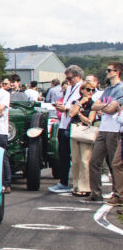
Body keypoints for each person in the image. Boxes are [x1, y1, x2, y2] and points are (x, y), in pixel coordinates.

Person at [87, 62, 122, 204]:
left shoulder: (121, 88)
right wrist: (105, 106)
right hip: (103, 128)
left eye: (109, 70)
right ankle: (96, 192)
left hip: (115, 129)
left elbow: (111, 109)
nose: (107, 72)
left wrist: (104, 107)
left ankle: (117, 192)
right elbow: (94, 105)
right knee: (94, 161)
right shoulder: (107, 89)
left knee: (115, 163)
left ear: (117, 72)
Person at [50, 65, 85, 193]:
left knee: (76, 156)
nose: (68, 81)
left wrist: (66, 108)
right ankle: (63, 181)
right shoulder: (70, 88)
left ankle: (77, 183)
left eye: (70, 78)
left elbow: (81, 105)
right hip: (64, 123)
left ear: (78, 76)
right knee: (63, 154)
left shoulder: (82, 88)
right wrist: (62, 106)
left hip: (73, 124)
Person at [67, 79, 99, 198]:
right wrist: (80, 104)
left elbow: (90, 120)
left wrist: (80, 114)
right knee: (75, 161)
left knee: (85, 161)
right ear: (82, 91)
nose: (90, 92)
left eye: (92, 90)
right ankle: (76, 186)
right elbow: (71, 114)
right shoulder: (76, 101)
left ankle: (85, 187)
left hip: (86, 132)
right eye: (88, 89)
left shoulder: (93, 104)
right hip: (75, 131)